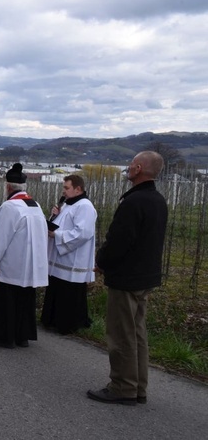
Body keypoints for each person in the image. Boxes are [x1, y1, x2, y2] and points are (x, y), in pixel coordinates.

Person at [87, 151, 168, 406]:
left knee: (122, 334)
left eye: (131, 164)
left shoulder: (133, 202)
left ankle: (122, 387)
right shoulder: (158, 200)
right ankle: (138, 386)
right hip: (146, 275)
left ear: (139, 168)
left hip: (127, 277)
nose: (128, 168)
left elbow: (119, 241)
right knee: (137, 334)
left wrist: (101, 261)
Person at [0, 163, 49, 348]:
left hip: (11, 265)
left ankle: (4, 337)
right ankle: (22, 336)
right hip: (30, 265)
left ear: (8, 187)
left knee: (7, 301)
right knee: (25, 301)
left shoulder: (9, 207)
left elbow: (0, 237)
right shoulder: (36, 205)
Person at [41, 174, 96, 335]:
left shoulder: (85, 206)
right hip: (61, 256)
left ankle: (67, 324)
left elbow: (83, 233)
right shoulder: (68, 204)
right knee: (56, 288)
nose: (63, 191)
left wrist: (56, 235)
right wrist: (55, 217)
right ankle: (51, 320)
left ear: (78, 189)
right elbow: (63, 223)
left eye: (66, 188)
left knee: (68, 292)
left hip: (73, 258)